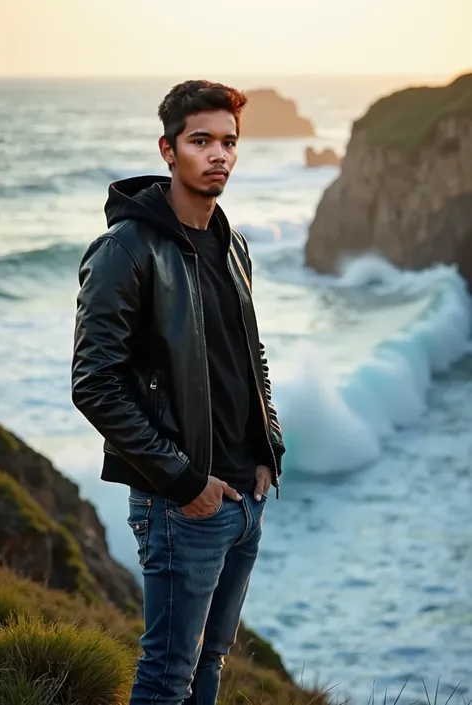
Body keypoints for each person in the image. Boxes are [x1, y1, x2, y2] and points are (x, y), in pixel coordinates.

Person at [71, 79, 285, 705]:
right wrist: (184, 481)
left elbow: (252, 356)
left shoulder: (232, 243)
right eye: (201, 141)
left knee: (210, 664)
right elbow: (95, 384)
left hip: (245, 494)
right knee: (167, 675)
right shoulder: (124, 251)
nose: (218, 155)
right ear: (168, 150)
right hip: (182, 503)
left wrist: (269, 447)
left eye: (229, 142)